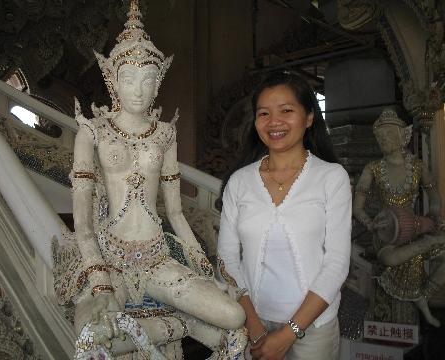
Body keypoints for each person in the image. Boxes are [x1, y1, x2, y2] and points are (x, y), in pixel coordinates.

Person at [54, 1, 248, 358]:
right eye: (129, 78)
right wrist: (99, 280)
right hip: (110, 255)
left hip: (158, 256)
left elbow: (175, 213)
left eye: (148, 79)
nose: (139, 90)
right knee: (91, 337)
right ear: (112, 78)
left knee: (234, 317)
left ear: (158, 82)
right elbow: (82, 223)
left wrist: (203, 268)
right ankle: (182, 324)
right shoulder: (93, 131)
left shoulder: (164, 134)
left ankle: (181, 322)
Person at [217, 72, 352, 360]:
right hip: (251, 323)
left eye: (287, 111)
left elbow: (337, 263)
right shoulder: (239, 182)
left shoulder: (331, 178)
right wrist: (254, 326)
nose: (274, 122)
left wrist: (290, 332)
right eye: (264, 113)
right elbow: (226, 259)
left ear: (309, 117)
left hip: (314, 329)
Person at [353, 109, 445, 327]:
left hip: (415, 229)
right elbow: (358, 208)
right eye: (379, 137)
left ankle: (425, 294)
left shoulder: (418, 167)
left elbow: (434, 196)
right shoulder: (372, 169)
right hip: (387, 235)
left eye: (388, 134)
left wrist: (434, 215)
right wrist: (370, 223)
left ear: (403, 136)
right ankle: (429, 244)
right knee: (390, 259)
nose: (382, 140)